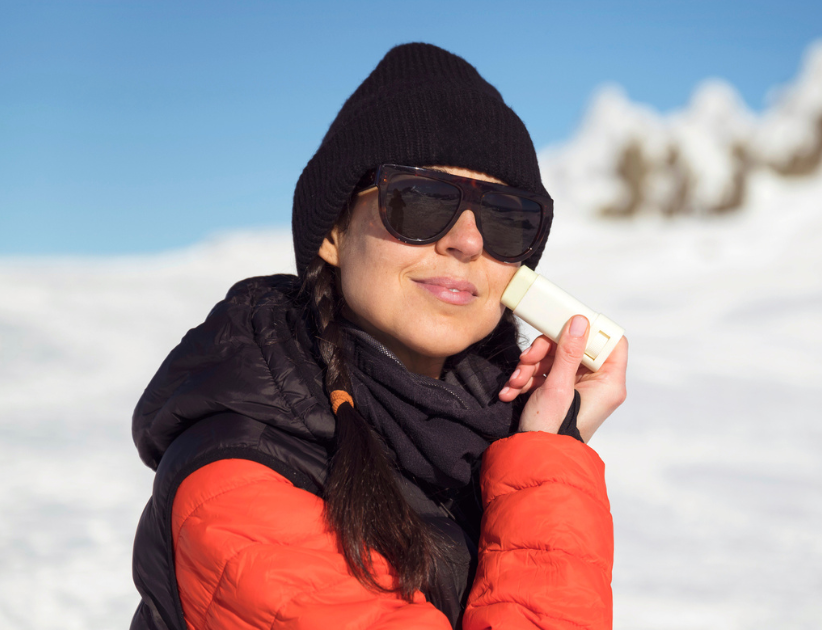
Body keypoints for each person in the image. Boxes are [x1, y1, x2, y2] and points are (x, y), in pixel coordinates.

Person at [128, 43, 627, 630]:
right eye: (418, 201)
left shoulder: (485, 440)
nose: (467, 242)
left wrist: (546, 444)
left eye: (505, 218)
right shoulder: (240, 480)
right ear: (333, 233)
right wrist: (546, 477)